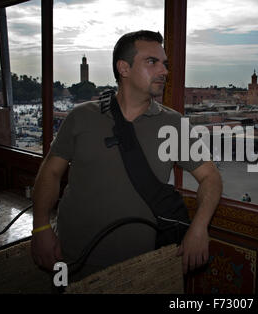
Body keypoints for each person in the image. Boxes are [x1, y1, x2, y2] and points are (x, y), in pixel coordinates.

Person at [31, 30, 223, 280]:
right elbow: (50, 171)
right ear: (124, 68)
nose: (164, 71)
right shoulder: (81, 117)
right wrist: (41, 227)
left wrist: (199, 227)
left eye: (164, 64)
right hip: (71, 257)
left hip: (140, 266)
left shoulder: (175, 124)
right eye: (152, 62)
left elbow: (211, 177)